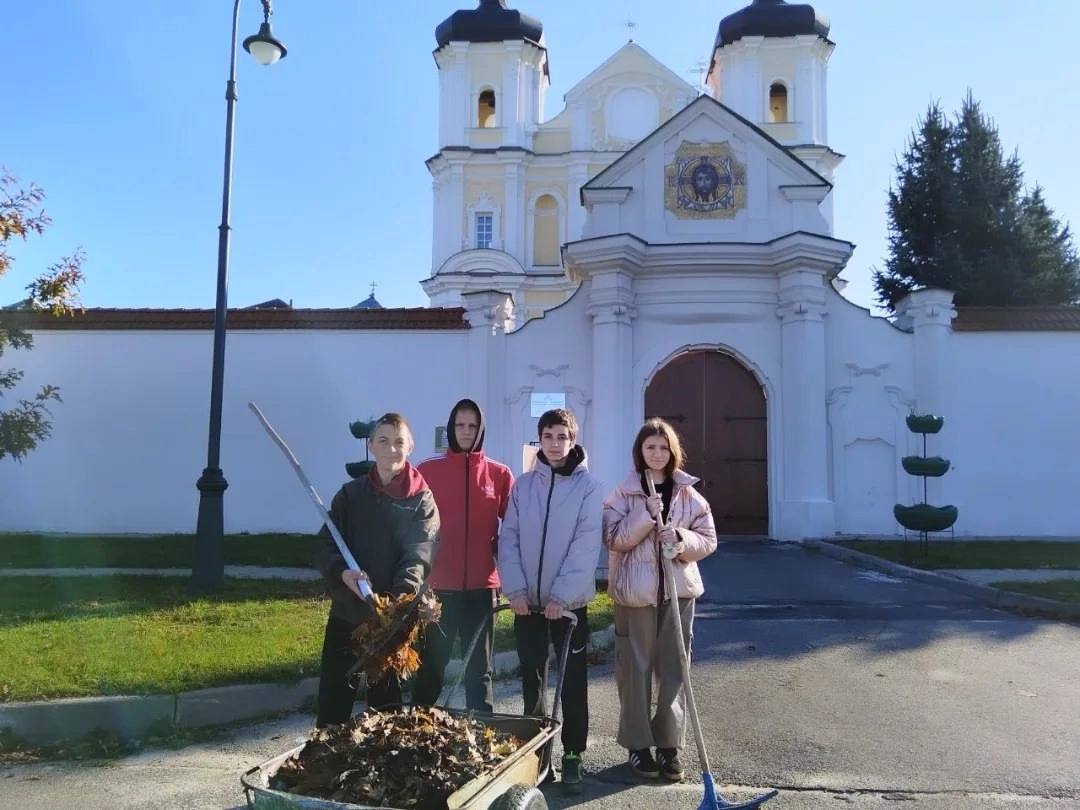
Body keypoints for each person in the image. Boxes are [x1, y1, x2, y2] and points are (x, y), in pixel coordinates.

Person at [601, 417, 717, 782]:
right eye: (650, 447)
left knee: (674, 670)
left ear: (672, 452)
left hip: (677, 593)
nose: (656, 453)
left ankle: (669, 746)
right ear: (640, 452)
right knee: (634, 672)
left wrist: (681, 540)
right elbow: (614, 538)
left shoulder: (689, 494)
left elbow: (708, 539)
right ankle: (638, 746)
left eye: (663, 447)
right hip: (636, 597)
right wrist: (645, 517)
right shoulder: (623, 494)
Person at [498, 408, 603, 791]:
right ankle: (537, 751)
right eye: (548, 436)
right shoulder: (524, 486)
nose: (555, 444)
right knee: (532, 679)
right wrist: (516, 590)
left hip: (568, 608)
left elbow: (585, 545)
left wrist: (562, 596)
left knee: (572, 682)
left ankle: (573, 752)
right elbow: (509, 537)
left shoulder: (588, 488)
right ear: (538, 440)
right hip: (528, 604)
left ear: (573, 440)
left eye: (563, 436)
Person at [314, 412, 439, 727]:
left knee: (386, 713)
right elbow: (326, 543)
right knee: (333, 704)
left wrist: (394, 608)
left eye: (399, 442)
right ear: (371, 446)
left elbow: (418, 555)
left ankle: (382, 770)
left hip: (391, 624)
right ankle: (328, 768)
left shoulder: (420, 500)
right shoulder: (351, 496)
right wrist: (343, 573)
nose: (391, 449)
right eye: (383, 441)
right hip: (348, 613)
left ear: (410, 447)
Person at [413, 398, 514, 712]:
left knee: (479, 670)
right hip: (438, 590)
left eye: (473, 426)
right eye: (460, 425)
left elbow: (514, 530)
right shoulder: (428, 471)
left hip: (482, 590)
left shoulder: (499, 474)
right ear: (450, 428)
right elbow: (411, 526)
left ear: (481, 429)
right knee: (432, 667)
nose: (466, 432)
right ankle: (416, 729)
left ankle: (482, 736)